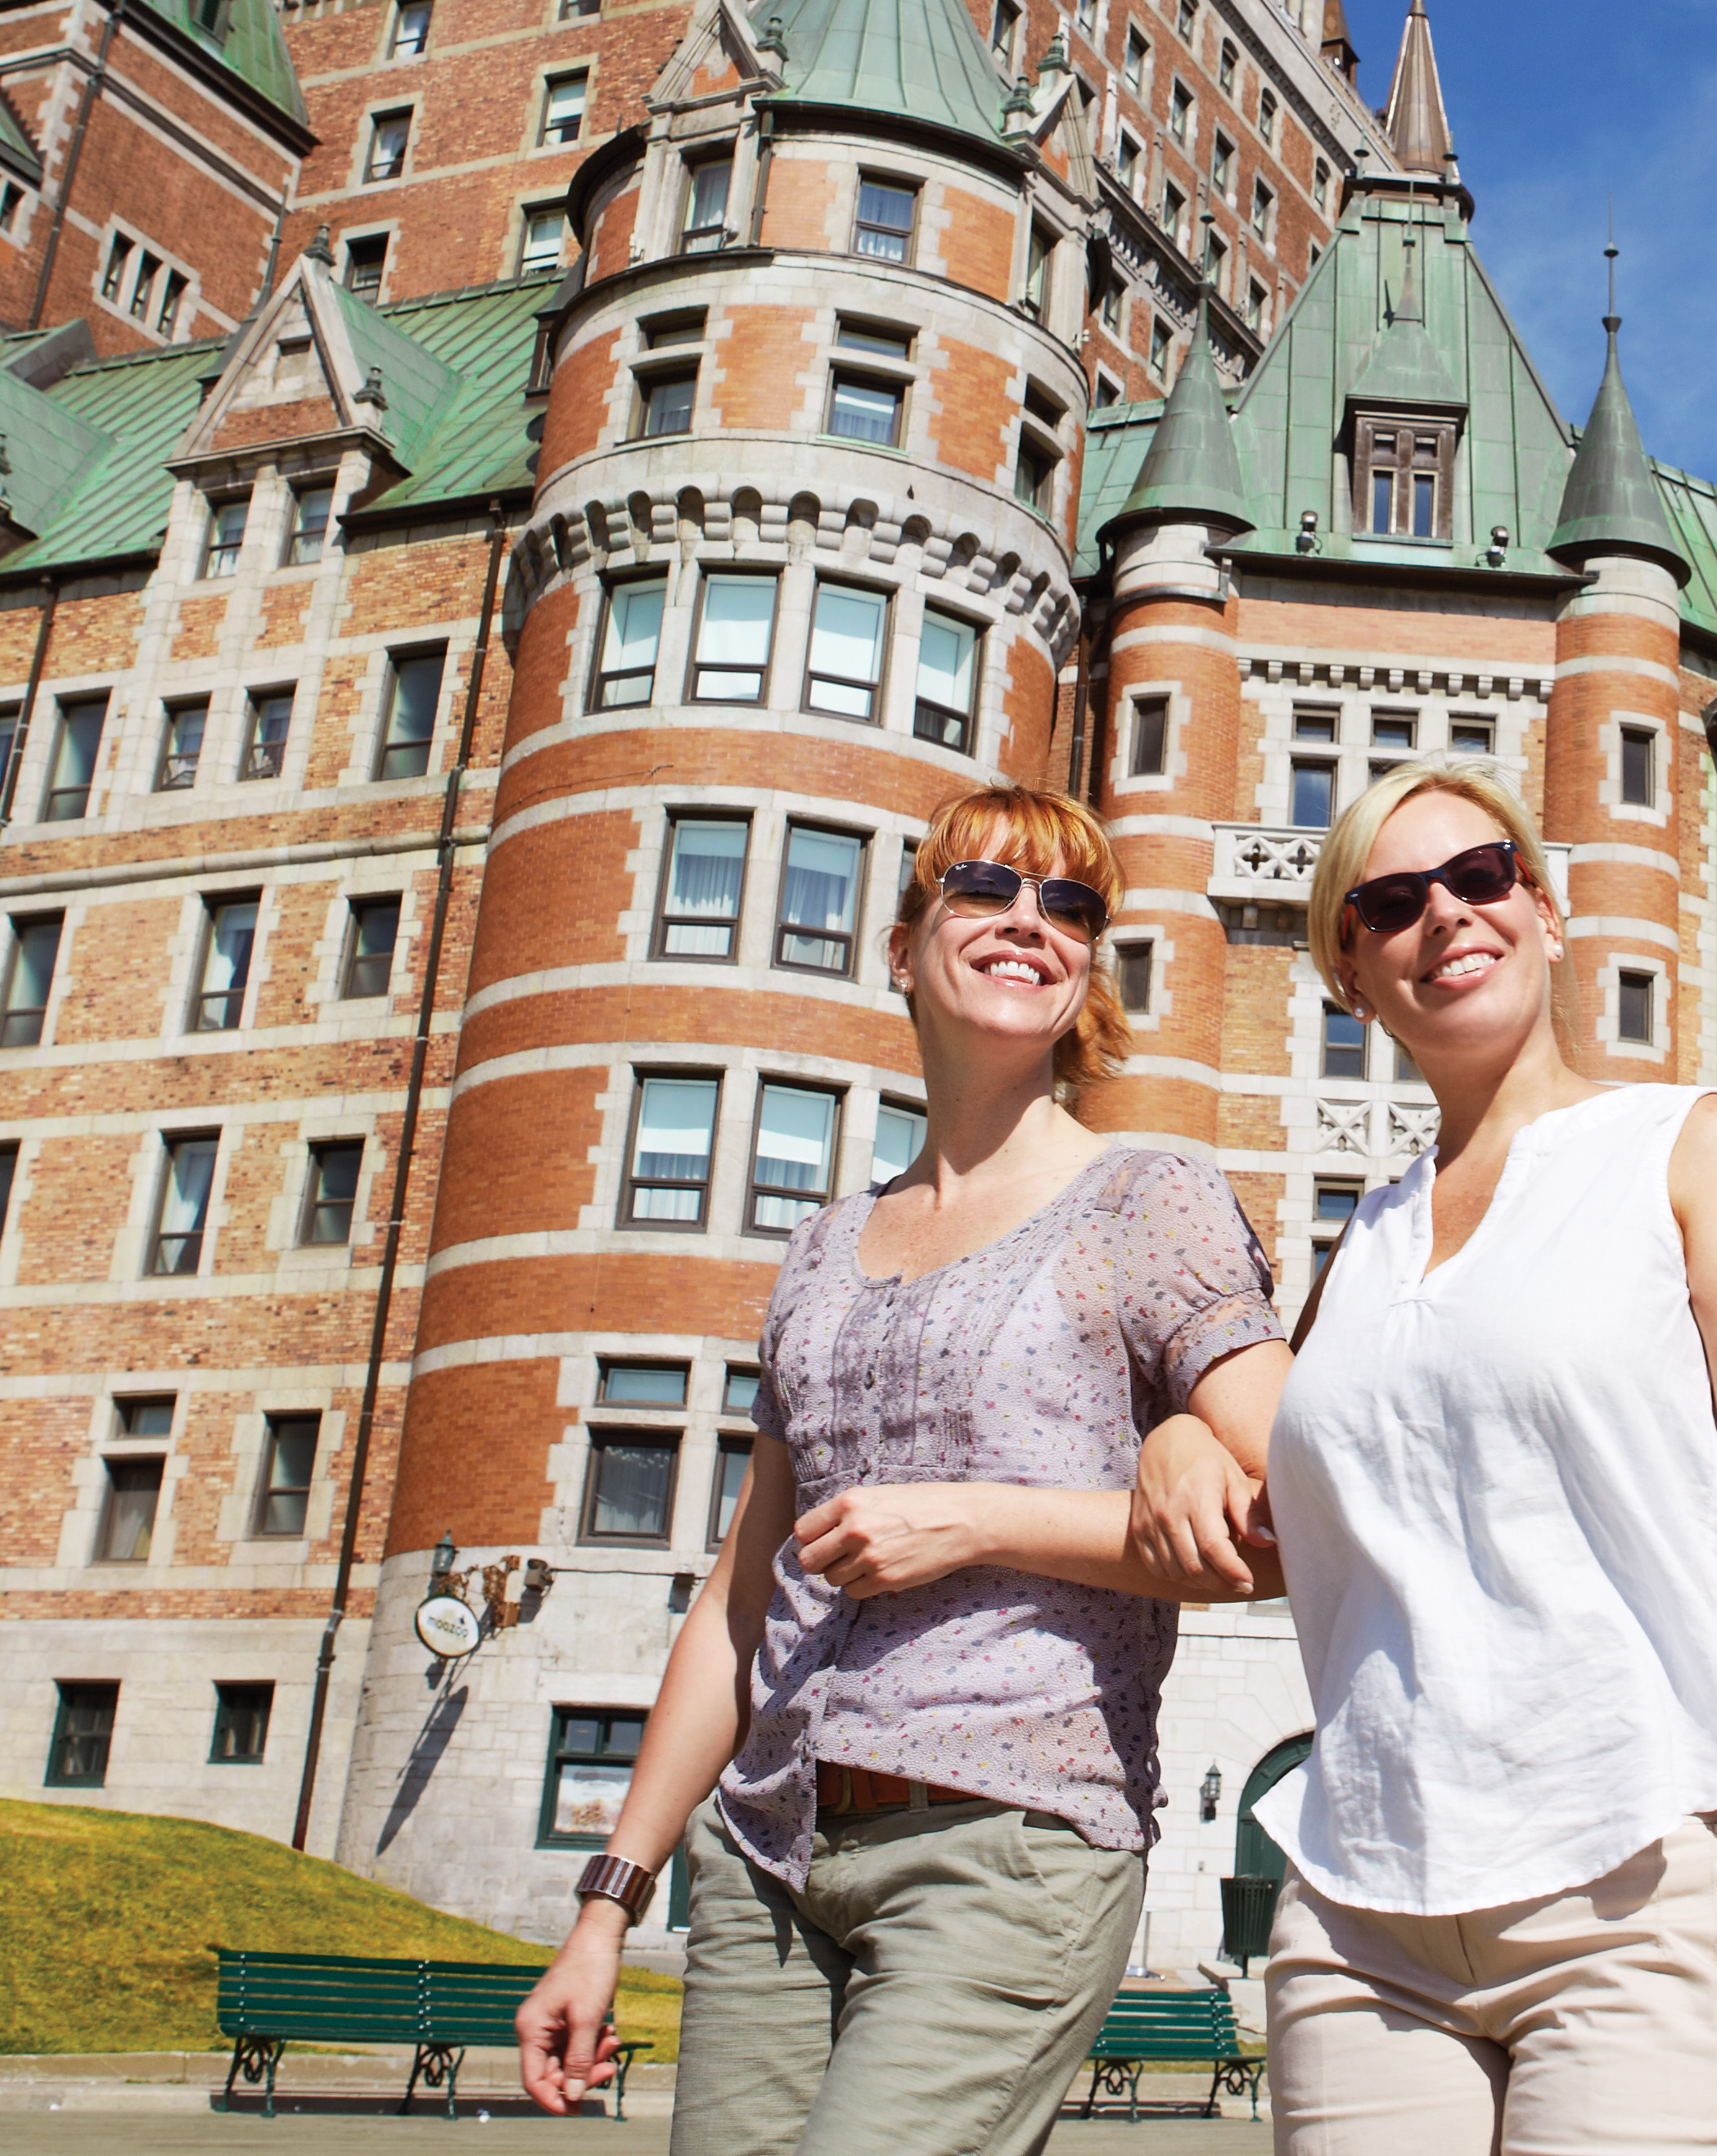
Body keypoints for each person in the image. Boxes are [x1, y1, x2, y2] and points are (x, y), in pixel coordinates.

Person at [511, 790, 1289, 2155]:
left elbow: (1285, 1522)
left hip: (1010, 1839)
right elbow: (740, 1609)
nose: (1028, 923)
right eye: (986, 888)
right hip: (768, 1855)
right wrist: (606, 1904)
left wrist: (985, 1519)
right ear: (904, 939)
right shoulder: (821, 1248)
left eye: (1072, 906)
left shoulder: (1149, 1200)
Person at [1202, 760, 1717, 2151]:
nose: (1448, 914)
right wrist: (1180, 1449)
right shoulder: (1357, 1245)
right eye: (1391, 901)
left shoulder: (1686, 1148)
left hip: (1651, 1877)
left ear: (1546, 915)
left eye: (1482, 877)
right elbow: (1301, 1507)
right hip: (1364, 1909)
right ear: (1350, 971)